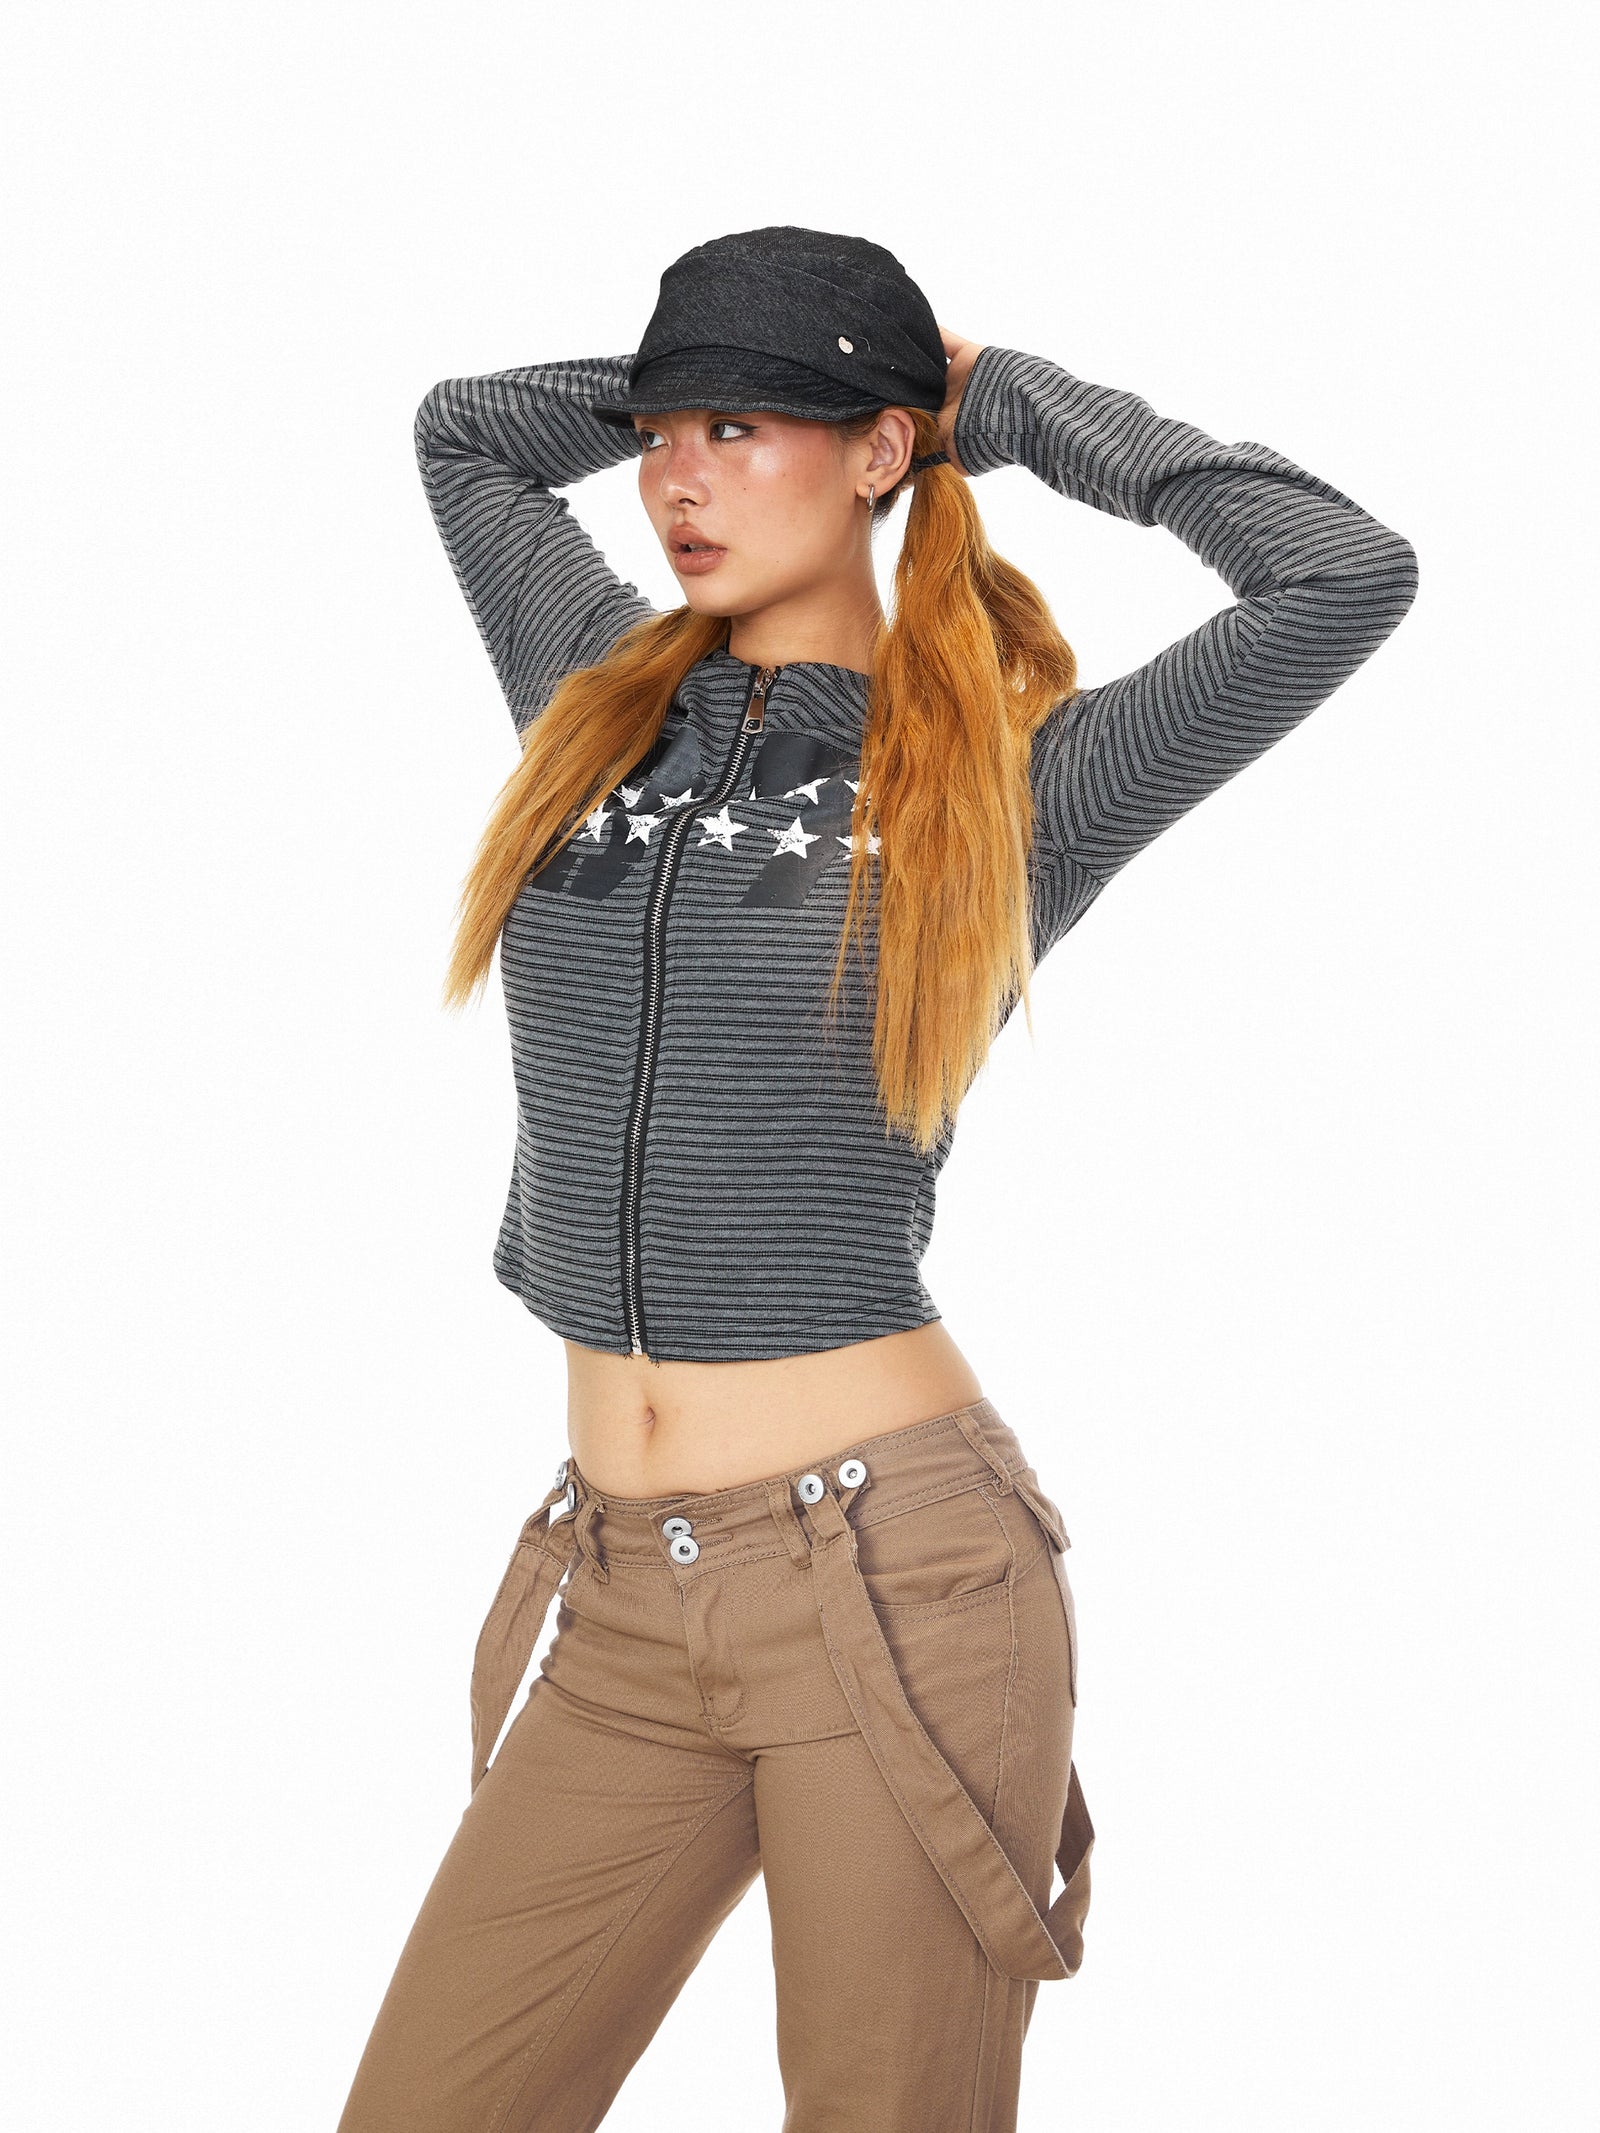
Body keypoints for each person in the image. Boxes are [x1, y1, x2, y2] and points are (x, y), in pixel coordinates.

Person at [335, 225, 1418, 2132]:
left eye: (742, 427)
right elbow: (464, 430)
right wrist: (728, 379)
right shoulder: (590, 694)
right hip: (626, 1594)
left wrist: (1007, 404)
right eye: (662, 432)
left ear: (880, 454)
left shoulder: (1011, 790)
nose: (676, 480)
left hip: (899, 1585)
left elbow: (1343, 570)